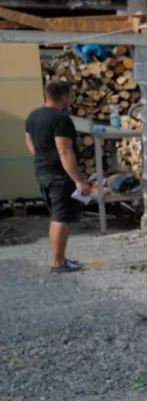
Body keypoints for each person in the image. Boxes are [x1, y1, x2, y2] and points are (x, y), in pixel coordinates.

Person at [24, 79, 90, 272]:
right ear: (64, 97)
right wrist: (78, 181)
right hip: (59, 176)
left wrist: (41, 156)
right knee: (61, 218)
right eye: (69, 95)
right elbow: (65, 151)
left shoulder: (33, 116)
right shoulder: (61, 119)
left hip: (42, 172)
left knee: (56, 215)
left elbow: (28, 141)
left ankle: (60, 258)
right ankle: (58, 262)